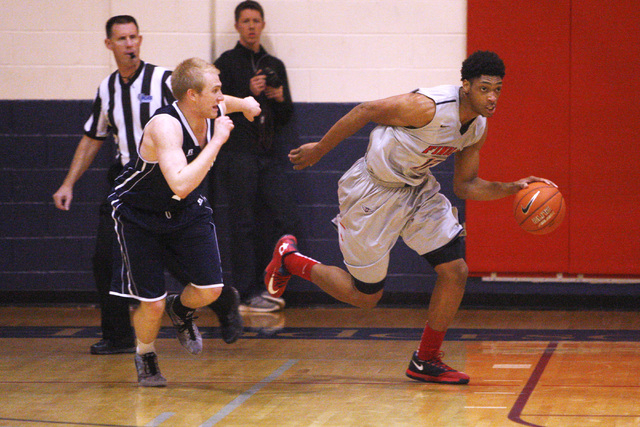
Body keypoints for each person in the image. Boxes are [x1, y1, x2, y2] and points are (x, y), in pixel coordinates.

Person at [264, 51, 556, 384]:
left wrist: (514, 188)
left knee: (455, 270)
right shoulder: (428, 107)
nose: (492, 97)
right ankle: (291, 260)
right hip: (372, 190)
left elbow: (465, 185)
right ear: (465, 86)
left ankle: (426, 359)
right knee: (365, 297)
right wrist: (318, 150)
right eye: (484, 88)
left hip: (416, 190)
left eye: (498, 89)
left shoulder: (477, 128)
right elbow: (367, 111)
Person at [52, 15, 244, 354]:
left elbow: (213, 98)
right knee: (107, 260)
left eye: (133, 37)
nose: (129, 44)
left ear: (140, 40)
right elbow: (92, 137)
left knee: (181, 265)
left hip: (172, 179)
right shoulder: (107, 88)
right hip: (131, 184)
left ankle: (216, 300)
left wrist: (247, 105)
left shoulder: (163, 80)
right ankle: (121, 337)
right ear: (109, 45)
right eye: (121, 39)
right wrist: (68, 183)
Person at [109, 57, 260, 386]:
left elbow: (230, 103)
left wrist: (247, 103)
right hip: (140, 214)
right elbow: (179, 182)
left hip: (183, 209)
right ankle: (146, 353)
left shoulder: (210, 107)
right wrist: (218, 140)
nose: (222, 97)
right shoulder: (166, 126)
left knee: (211, 289)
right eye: (215, 91)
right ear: (192, 95)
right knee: (151, 303)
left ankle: (180, 310)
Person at [212, 0, 302, 313]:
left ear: (263, 25)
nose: (251, 26)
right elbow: (216, 107)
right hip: (238, 155)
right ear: (237, 26)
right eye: (246, 21)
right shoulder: (226, 62)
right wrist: (245, 90)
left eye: (256, 21)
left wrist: (277, 98)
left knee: (284, 217)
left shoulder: (274, 63)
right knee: (243, 224)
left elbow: (287, 114)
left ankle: (274, 281)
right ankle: (244, 292)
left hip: (269, 153)